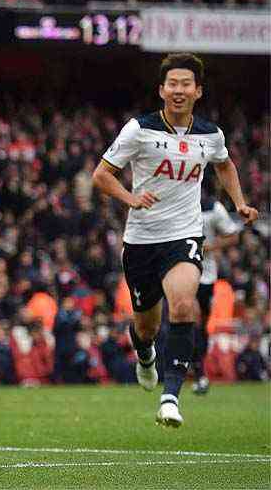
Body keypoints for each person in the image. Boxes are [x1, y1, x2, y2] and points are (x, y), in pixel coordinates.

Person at [92, 53, 258, 427]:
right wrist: (130, 198)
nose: (179, 90)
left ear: (197, 91)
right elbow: (101, 175)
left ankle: (170, 397)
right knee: (146, 326)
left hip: (184, 236)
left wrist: (240, 202)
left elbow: (225, 164)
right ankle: (146, 354)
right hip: (140, 241)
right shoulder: (139, 130)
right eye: (173, 84)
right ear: (162, 90)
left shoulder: (210, 135)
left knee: (184, 307)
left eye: (186, 84)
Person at [192, 194, 240, 395]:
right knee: (186, 317)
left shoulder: (213, 208)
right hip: (180, 269)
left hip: (206, 274)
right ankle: (189, 370)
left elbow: (233, 235)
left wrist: (210, 247)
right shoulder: (175, 200)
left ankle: (198, 371)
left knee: (200, 323)